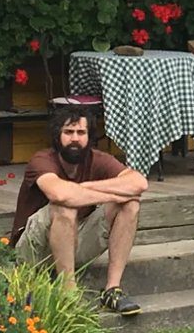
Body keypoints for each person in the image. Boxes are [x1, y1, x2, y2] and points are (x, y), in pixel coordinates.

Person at [10, 105, 147, 315]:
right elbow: (61, 194)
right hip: (33, 250)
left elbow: (139, 183)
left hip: (75, 242)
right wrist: (112, 193)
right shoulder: (42, 160)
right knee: (65, 207)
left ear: (89, 137)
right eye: (68, 132)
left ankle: (112, 290)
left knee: (130, 204)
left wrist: (85, 189)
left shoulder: (97, 159)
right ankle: (69, 294)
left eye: (81, 132)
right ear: (57, 136)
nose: (75, 138)